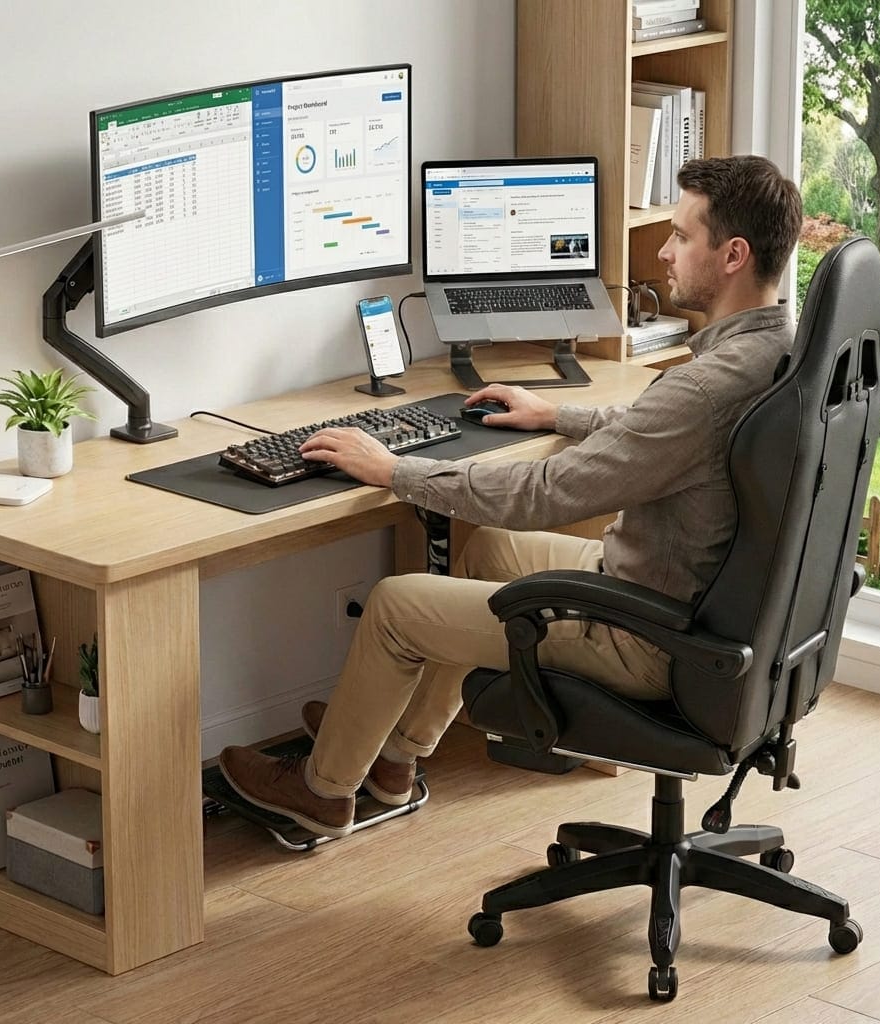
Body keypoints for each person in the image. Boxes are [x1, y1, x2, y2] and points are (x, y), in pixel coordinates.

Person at [220, 155, 803, 838]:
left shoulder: (704, 387)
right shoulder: (776, 348)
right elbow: (673, 434)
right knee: (490, 551)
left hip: (648, 637)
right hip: (700, 612)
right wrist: (559, 415)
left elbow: (546, 491)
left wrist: (395, 472)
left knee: (395, 606)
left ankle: (321, 794)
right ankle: (394, 760)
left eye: (681, 235)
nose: (665, 251)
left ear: (733, 255)